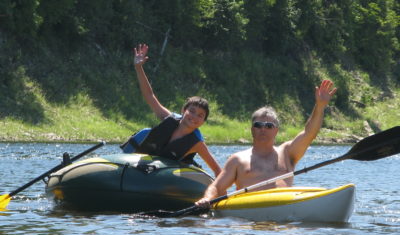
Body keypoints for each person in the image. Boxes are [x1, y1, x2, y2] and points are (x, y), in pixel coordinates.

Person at [196, 79, 337, 207]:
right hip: (248, 217)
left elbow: (309, 133)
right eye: (258, 125)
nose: (263, 129)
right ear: (252, 129)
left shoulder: (288, 152)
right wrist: (207, 199)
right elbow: (217, 187)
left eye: (269, 126)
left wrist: (320, 106)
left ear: (276, 131)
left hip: (283, 215)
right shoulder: (237, 159)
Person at [121, 44, 221, 177]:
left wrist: (222, 194)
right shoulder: (168, 118)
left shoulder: (197, 143)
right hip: (138, 166)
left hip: (166, 177)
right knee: (145, 132)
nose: (194, 117)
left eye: (200, 115)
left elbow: (217, 170)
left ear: (203, 122)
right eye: (191, 111)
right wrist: (138, 67)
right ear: (183, 110)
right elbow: (149, 96)